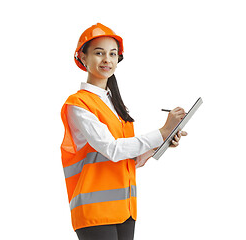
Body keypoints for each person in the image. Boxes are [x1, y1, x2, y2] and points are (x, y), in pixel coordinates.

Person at [60, 23, 187, 240]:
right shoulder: (78, 104)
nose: (107, 59)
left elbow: (130, 158)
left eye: (113, 54)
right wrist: (161, 132)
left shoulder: (115, 105)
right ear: (83, 57)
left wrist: (162, 141)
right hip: (95, 212)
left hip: (125, 208)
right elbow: (112, 149)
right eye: (99, 53)